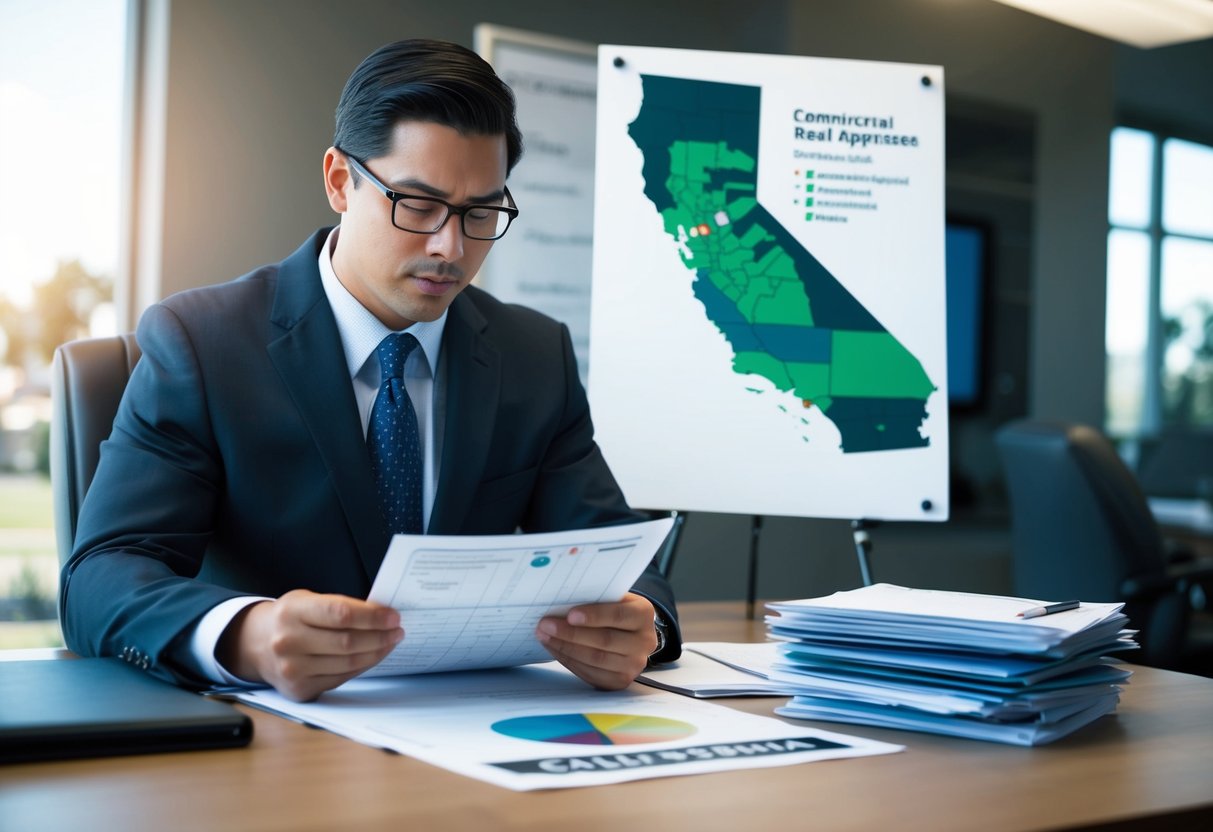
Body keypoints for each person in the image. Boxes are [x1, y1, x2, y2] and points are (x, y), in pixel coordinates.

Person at [60, 38, 680, 702]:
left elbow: (618, 553)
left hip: (472, 739)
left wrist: (640, 622)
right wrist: (249, 634)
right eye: (417, 205)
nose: (451, 246)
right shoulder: (202, 343)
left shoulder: (533, 356)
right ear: (338, 181)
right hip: (268, 746)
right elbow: (101, 577)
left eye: (481, 212)